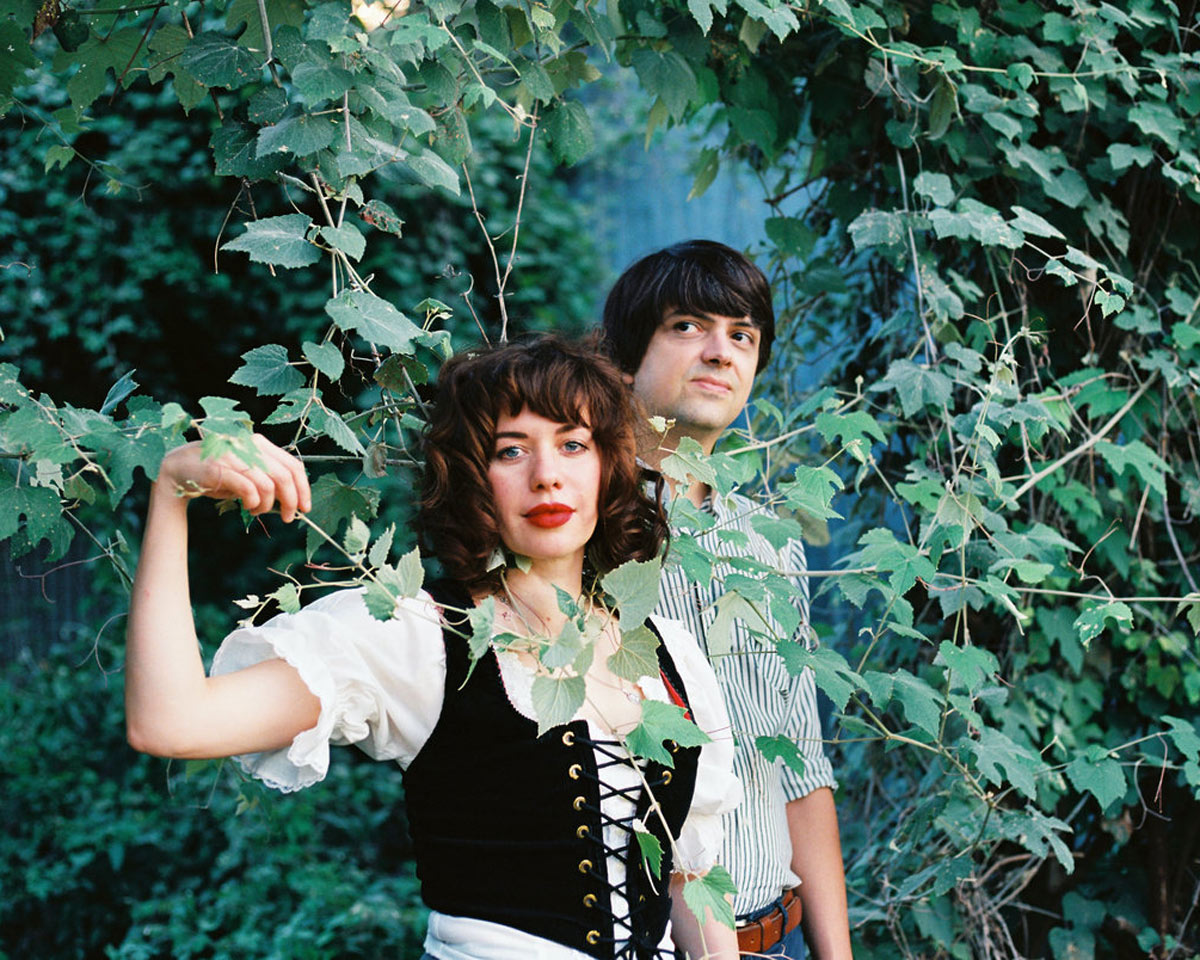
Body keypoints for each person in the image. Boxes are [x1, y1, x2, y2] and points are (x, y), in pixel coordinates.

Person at [125, 336, 742, 960]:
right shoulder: (416, 633)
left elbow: (691, 883)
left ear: (609, 465)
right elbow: (171, 722)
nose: (547, 475)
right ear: (473, 477)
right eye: (510, 450)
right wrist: (172, 494)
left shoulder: (666, 653)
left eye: (573, 445)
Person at [600, 241, 854, 960]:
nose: (720, 351)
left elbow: (801, 767)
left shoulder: (770, 545)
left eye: (742, 335)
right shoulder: (581, 529)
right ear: (625, 361)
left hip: (776, 936)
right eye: (687, 326)